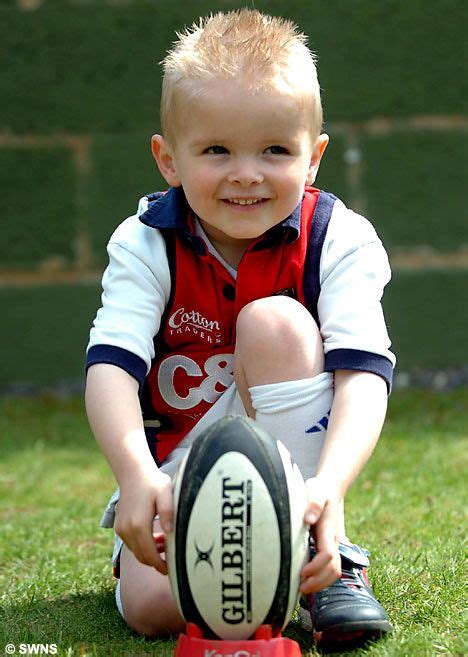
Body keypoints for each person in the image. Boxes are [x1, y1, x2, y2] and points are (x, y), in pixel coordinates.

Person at [85, 8, 395, 649]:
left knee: (275, 322)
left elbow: (364, 376)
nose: (247, 173)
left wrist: (328, 488)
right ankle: (254, 568)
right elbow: (111, 368)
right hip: (178, 468)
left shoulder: (340, 239)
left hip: (295, 467)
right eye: (217, 149)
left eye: (276, 150)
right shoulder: (145, 242)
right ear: (168, 159)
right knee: (151, 609)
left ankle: (314, 548)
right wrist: (137, 478)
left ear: (315, 158)